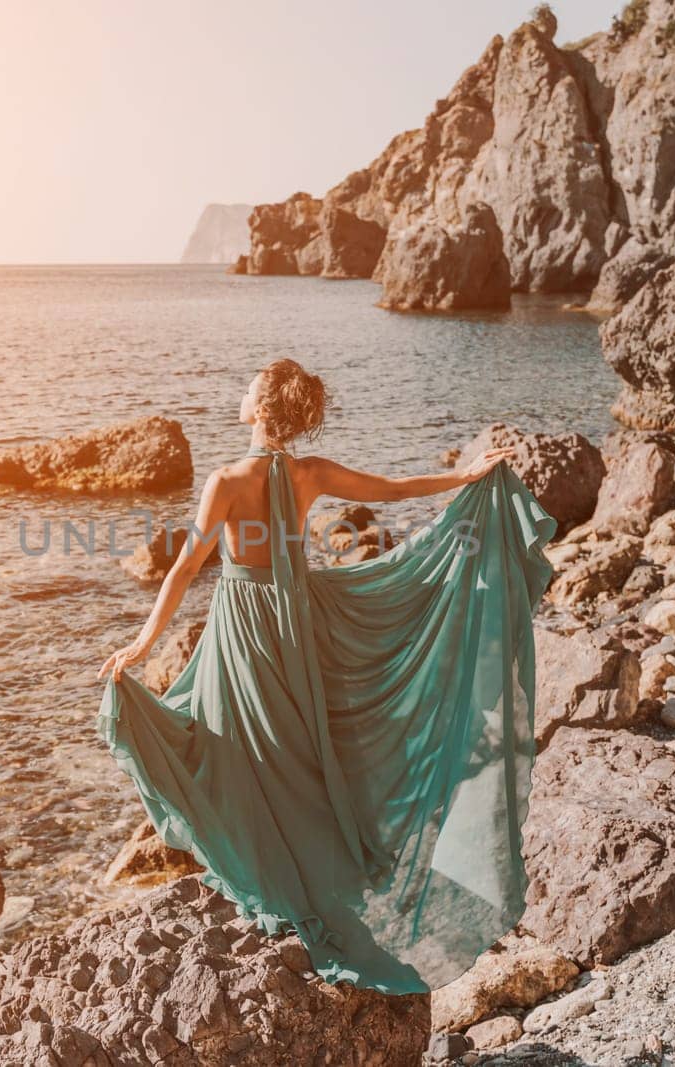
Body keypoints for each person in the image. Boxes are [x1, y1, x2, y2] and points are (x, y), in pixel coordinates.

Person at [98, 358, 556, 993]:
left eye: (249, 385)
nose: (241, 390)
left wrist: (142, 645)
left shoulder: (227, 479)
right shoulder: (310, 473)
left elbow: (183, 569)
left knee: (236, 746)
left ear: (261, 407)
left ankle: (270, 874)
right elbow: (393, 490)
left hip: (248, 623)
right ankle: (309, 867)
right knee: (299, 750)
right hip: (302, 618)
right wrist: (463, 477)